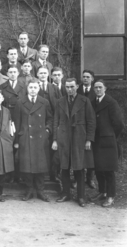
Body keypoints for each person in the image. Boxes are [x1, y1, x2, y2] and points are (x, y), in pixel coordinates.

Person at [53, 78, 96, 207]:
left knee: (79, 168)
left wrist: (88, 139)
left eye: (72, 86)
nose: (69, 89)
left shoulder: (85, 101)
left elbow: (91, 121)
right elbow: (56, 121)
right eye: (67, 87)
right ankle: (65, 193)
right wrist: (55, 139)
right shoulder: (60, 101)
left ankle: (81, 196)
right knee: (64, 167)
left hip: (79, 139)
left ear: (77, 86)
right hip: (64, 138)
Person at [13, 78, 53, 202]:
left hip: (40, 138)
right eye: (31, 87)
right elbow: (16, 122)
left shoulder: (44, 102)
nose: (33, 90)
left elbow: (50, 119)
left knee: (40, 165)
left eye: (35, 87)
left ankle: (40, 190)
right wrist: (17, 140)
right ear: (27, 89)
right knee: (27, 166)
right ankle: (29, 189)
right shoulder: (20, 102)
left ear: (39, 88)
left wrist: (47, 131)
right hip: (26, 138)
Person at [90, 80, 124, 207]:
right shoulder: (93, 102)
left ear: (105, 88)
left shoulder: (111, 102)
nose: (98, 89)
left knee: (109, 170)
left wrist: (111, 135)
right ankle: (102, 192)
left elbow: (119, 123)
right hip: (96, 140)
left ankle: (110, 196)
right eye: (96, 87)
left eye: (100, 87)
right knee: (99, 168)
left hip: (108, 141)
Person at [76, 69, 96, 189]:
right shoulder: (77, 90)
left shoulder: (96, 90)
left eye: (88, 77)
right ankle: (77, 179)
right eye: (83, 77)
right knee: (78, 154)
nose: (85, 79)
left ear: (92, 79)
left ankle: (90, 178)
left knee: (90, 154)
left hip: (90, 125)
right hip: (79, 126)